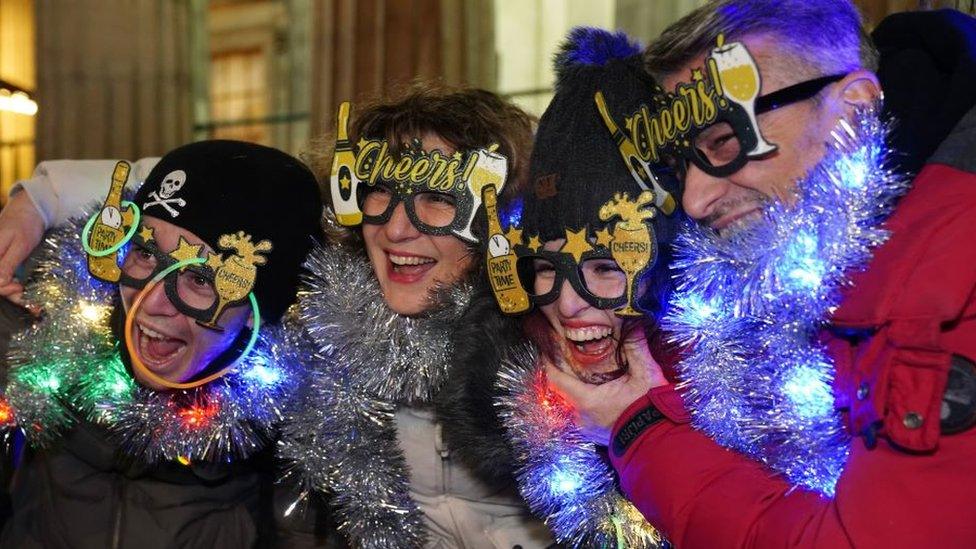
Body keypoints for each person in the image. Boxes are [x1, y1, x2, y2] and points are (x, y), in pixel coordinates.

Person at [547, 2, 976, 548]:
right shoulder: (779, 271)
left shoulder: (951, 273)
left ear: (856, 108)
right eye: (681, 164)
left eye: (725, 142)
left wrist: (637, 427)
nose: (695, 199)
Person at [0, 140, 324, 547]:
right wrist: (36, 200)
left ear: (259, 315)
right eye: (146, 254)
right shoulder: (42, 336)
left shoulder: (301, 436)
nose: (150, 302)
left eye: (202, 280)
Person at [275, 83, 557, 548]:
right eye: (381, 190)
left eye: (439, 197)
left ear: (504, 214)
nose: (397, 228)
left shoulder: (561, 346)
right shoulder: (314, 349)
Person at [487, 28, 680, 548]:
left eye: (606, 267)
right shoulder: (518, 404)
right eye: (547, 269)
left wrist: (643, 429)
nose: (568, 304)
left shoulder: (741, 407)